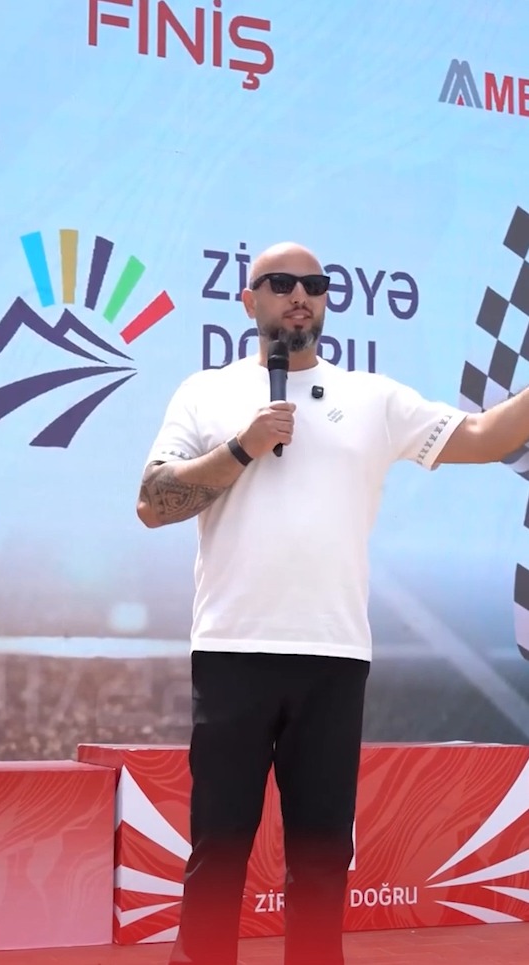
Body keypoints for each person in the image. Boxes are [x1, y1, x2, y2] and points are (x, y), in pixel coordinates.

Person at [136, 242, 529, 965]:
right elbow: (153, 504)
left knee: (320, 858)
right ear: (248, 300)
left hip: (334, 657)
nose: (300, 295)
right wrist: (244, 447)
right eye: (281, 282)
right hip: (233, 650)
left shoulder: (372, 398)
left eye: (315, 284)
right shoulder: (205, 392)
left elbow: (484, 436)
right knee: (219, 844)